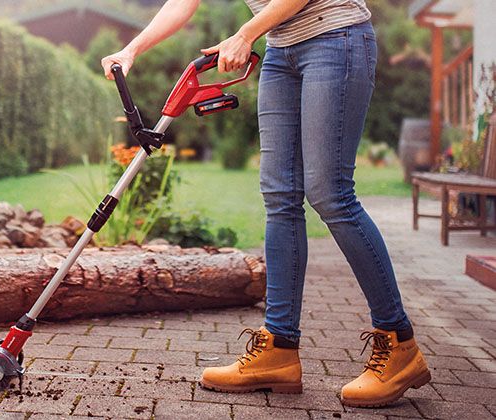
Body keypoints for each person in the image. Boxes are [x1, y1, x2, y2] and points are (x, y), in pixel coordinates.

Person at [101, 0, 431, 407]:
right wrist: (131, 49)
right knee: (280, 197)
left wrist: (245, 33)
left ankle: (399, 343)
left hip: (335, 38)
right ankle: (278, 348)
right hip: (281, 51)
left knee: (331, 194)